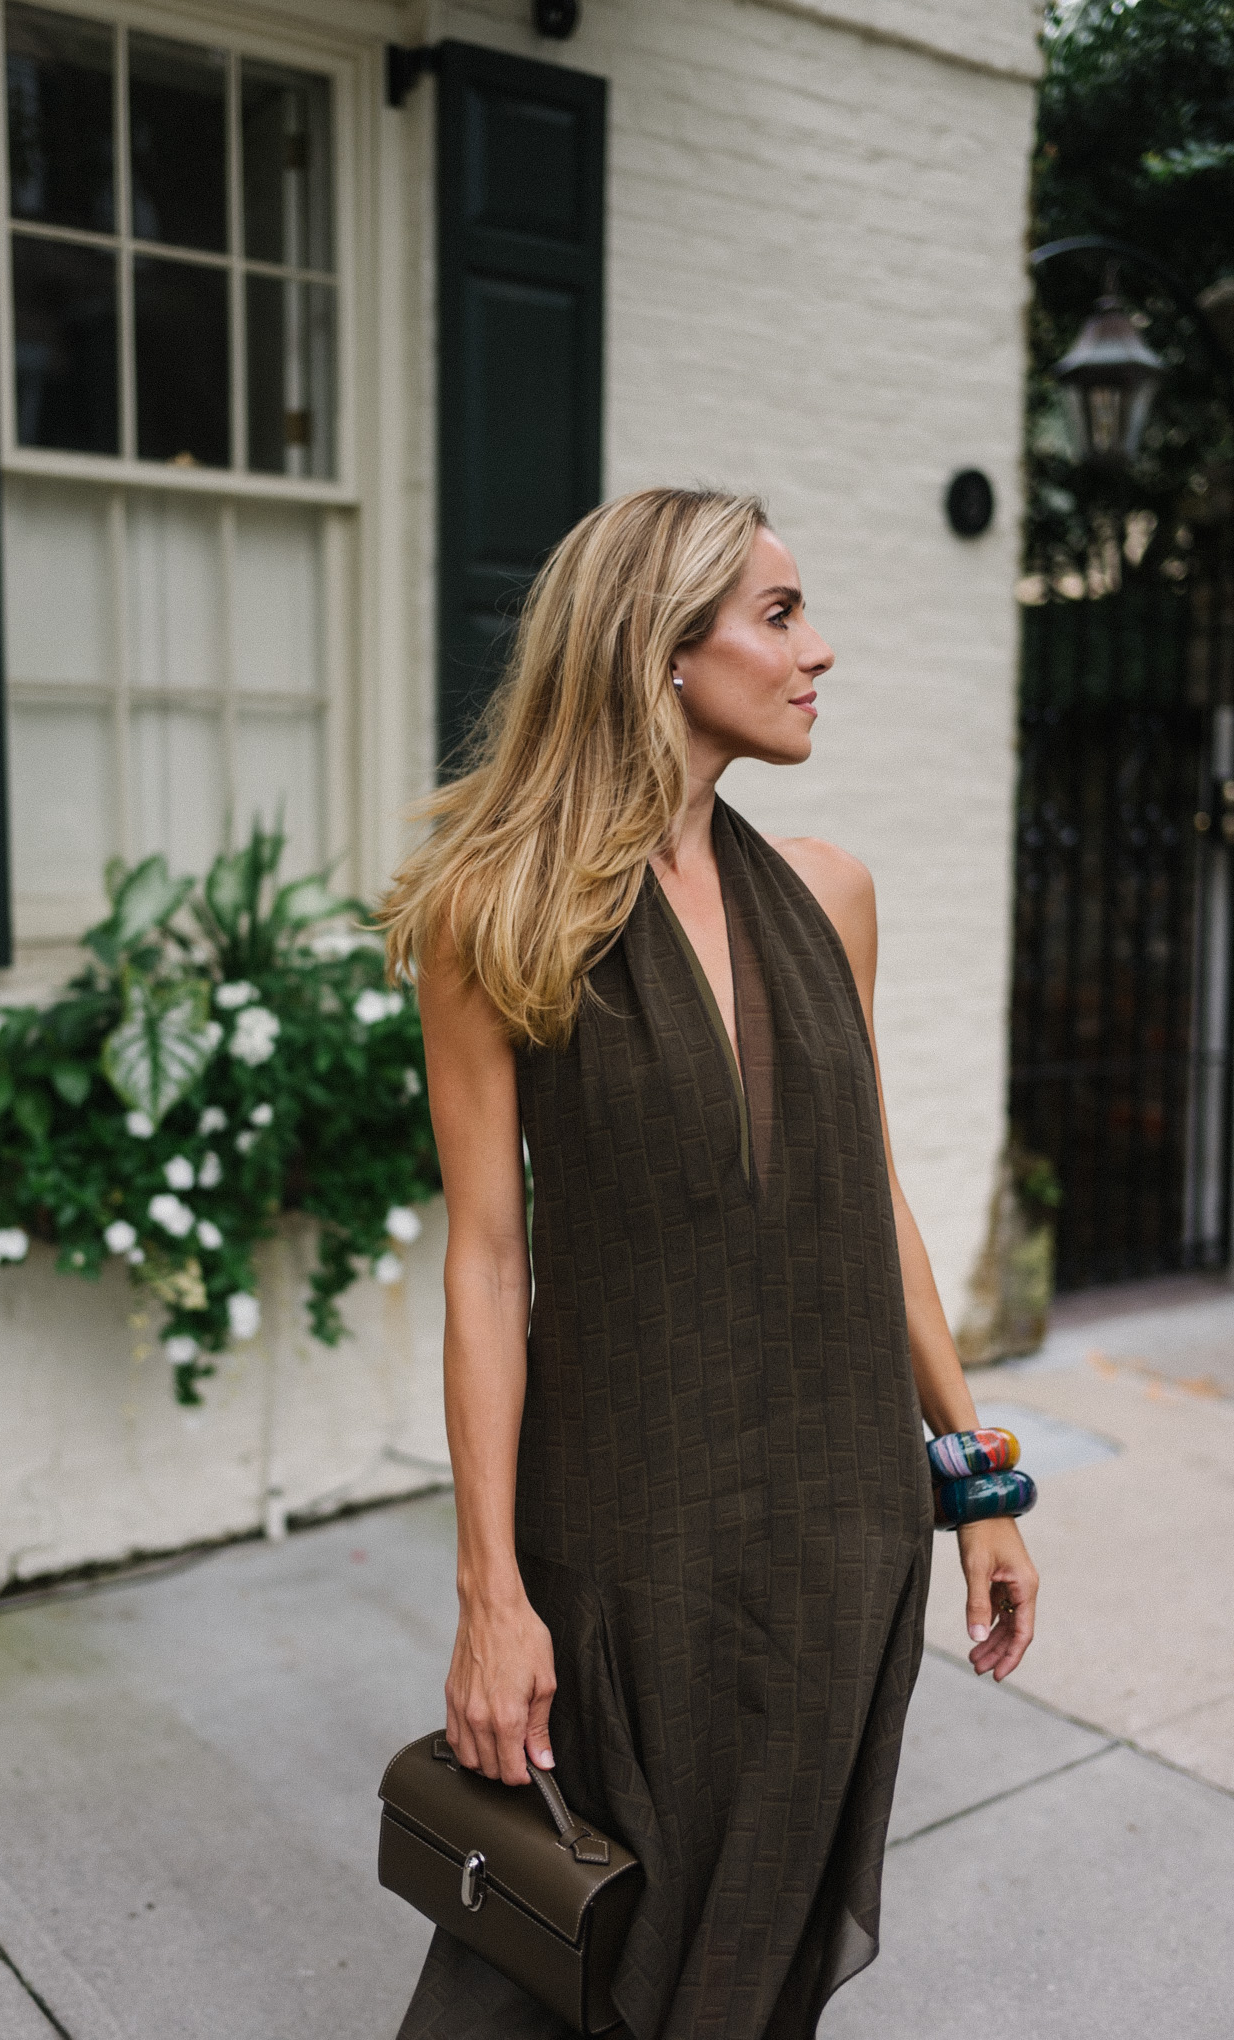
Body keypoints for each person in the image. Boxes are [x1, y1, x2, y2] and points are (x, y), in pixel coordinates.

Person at [381, 487, 1038, 2039]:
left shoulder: (829, 894)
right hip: (624, 1537)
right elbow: (486, 1268)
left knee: (755, 1962)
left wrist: (981, 1484)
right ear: (662, 651)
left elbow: (868, 1200)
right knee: (580, 1953)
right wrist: (491, 1593)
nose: (824, 651)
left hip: (835, 1533)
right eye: (782, 615)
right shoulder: (497, 915)